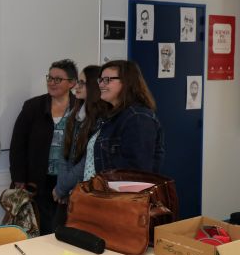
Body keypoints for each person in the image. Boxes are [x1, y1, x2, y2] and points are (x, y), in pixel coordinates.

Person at [9, 59, 77, 235]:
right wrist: (19, 179)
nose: (51, 83)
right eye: (50, 78)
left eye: (57, 79)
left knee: (66, 230)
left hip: (69, 182)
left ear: (72, 83)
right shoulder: (33, 106)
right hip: (38, 182)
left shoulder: (81, 108)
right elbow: (18, 144)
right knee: (42, 231)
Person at [89, 60, 164, 174]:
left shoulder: (138, 118)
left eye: (107, 80)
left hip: (120, 191)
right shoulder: (110, 116)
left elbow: (137, 173)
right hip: (103, 190)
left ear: (126, 82)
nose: (101, 84)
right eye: (100, 80)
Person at [52, 65, 110, 210]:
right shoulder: (75, 114)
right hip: (67, 190)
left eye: (82, 83)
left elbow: (86, 162)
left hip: (85, 191)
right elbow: (64, 154)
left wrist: (62, 188)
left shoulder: (101, 118)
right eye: (78, 82)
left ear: (93, 86)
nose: (76, 86)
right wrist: (62, 187)